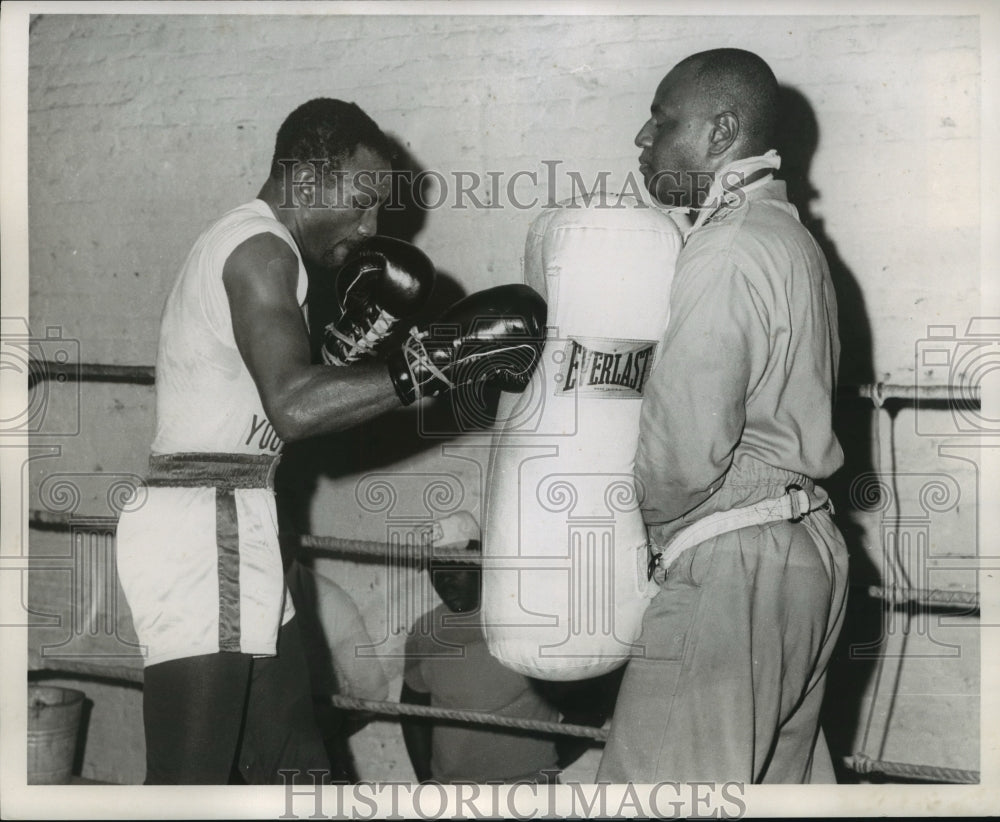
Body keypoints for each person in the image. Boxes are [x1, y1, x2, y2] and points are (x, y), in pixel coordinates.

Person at [114, 98, 546, 785]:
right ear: (307, 182)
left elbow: (279, 403)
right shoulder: (260, 251)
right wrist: (438, 355)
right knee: (188, 785)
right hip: (205, 528)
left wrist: (353, 354)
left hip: (235, 517)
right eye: (362, 202)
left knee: (298, 768)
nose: (371, 226)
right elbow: (294, 408)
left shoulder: (266, 251)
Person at [596, 49, 850, 783]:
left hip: (736, 570)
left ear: (721, 132)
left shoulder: (727, 247)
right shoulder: (788, 237)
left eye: (661, 119)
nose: (643, 139)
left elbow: (685, 451)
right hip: (805, 558)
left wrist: (627, 532)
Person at [400, 541, 564, 784]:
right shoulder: (425, 632)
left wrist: (544, 768)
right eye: (435, 567)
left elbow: (587, 712)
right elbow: (411, 711)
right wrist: (429, 783)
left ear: (482, 563)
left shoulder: (529, 622)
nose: (444, 579)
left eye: (455, 565)